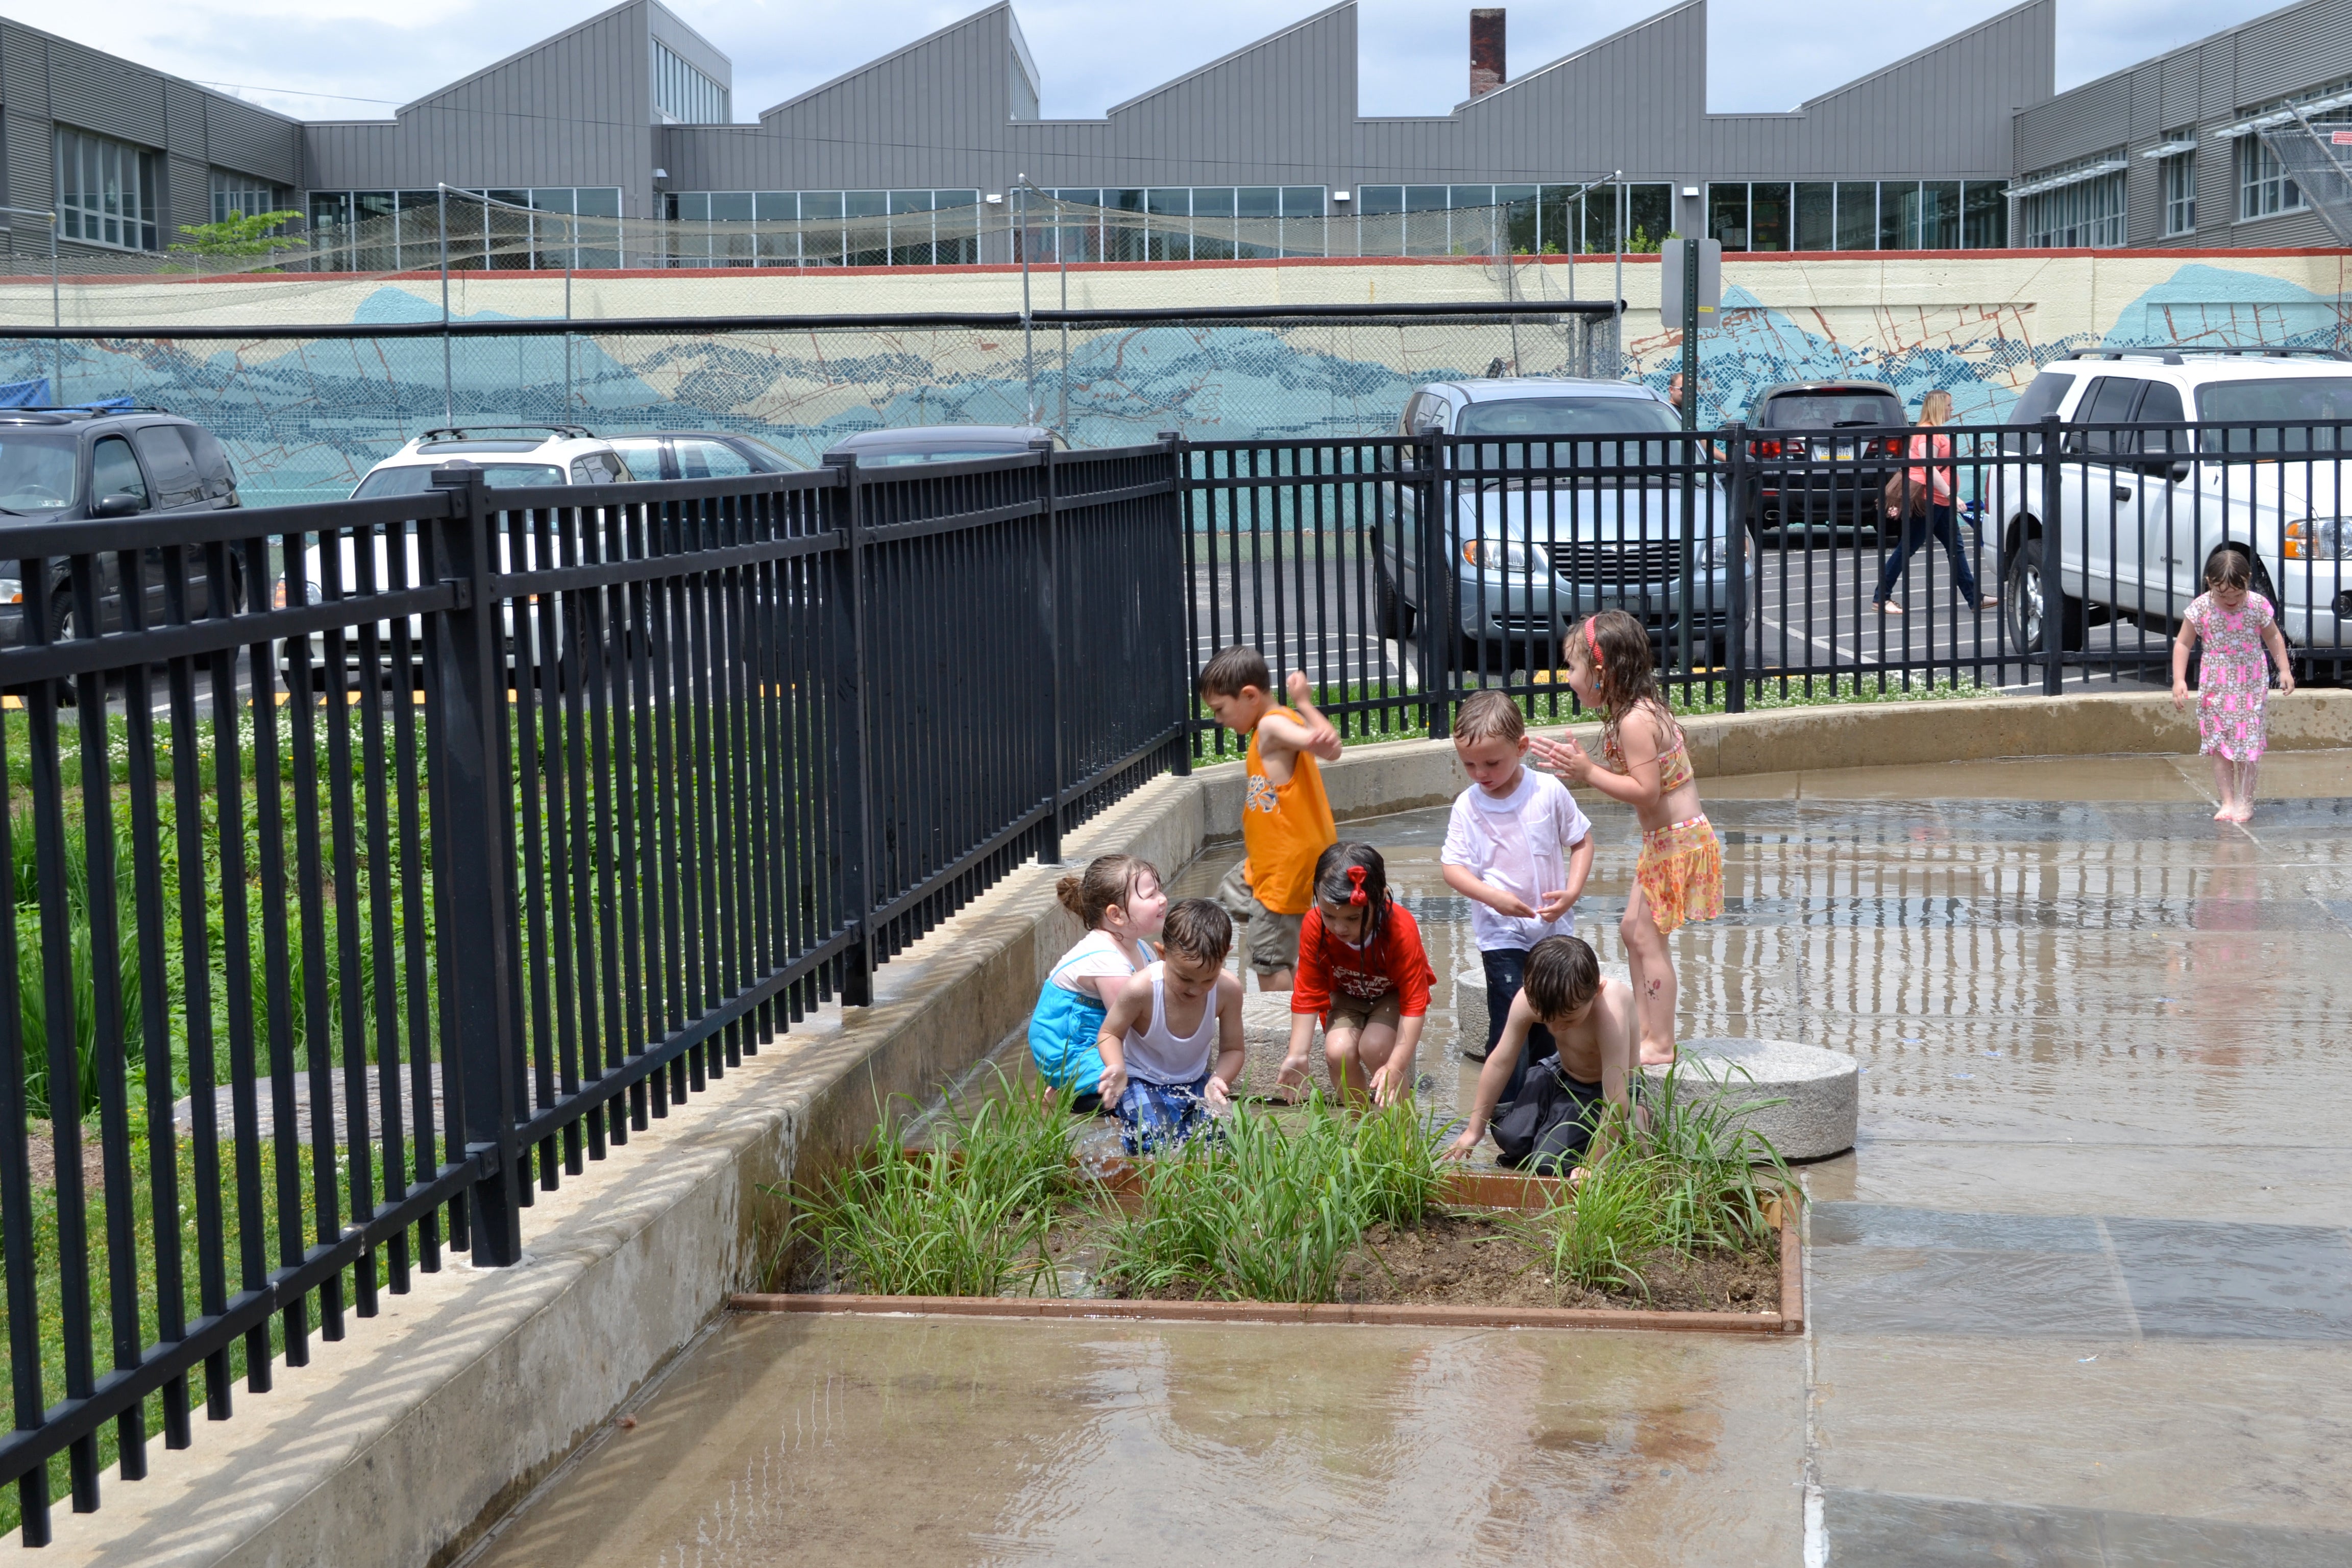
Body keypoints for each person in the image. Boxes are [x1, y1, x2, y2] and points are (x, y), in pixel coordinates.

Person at [1532, 610, 1720, 1066]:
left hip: (1677, 842)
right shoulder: (1632, 712)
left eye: (1572, 667)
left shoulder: (1636, 721)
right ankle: (1647, 1029)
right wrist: (1580, 765)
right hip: (1667, 841)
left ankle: (1660, 1041)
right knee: (1632, 931)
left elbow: (1646, 791)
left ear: (1602, 672)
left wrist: (1587, 772)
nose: (1567, 678)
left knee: (1648, 941)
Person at [1440, 690, 1595, 1102]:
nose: (1480, 773)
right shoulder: (1467, 807)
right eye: (1469, 764)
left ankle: (1552, 1100)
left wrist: (1573, 891)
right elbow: (1452, 869)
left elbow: (1581, 841)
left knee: (1555, 1019)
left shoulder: (1548, 791)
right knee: (1510, 1020)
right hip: (1501, 933)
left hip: (1552, 931)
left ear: (1522, 747)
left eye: (1492, 762)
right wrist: (1493, 897)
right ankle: (1507, 1109)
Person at [1198, 646, 1340, 990]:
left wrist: (1312, 733)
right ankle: (1293, 935)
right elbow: (1330, 748)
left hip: (1283, 868)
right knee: (1228, 893)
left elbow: (1327, 748)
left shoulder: (1274, 726)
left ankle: (1286, 1028)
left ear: (1248, 695)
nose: (1218, 720)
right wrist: (1305, 705)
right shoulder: (1283, 719)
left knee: (1267, 958)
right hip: (1270, 860)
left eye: (1220, 710)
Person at [1441, 934, 1637, 1174]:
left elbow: (1616, 1096)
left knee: (1547, 1163)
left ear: (1597, 990)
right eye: (1547, 1021)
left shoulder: (1609, 1011)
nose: (1555, 1029)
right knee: (1509, 1137)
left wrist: (1593, 1166)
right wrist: (1474, 1130)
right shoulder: (1531, 999)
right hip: (1559, 1072)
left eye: (1568, 1020)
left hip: (1603, 1087)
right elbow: (1501, 1062)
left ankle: (1627, 1130)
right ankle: (1554, 1126)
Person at [1279, 843, 1436, 1107]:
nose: (1339, 928)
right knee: (1337, 1050)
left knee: (1376, 1046)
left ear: (1381, 898)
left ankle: (1403, 1133)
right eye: (1329, 915)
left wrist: (1397, 1064)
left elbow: (1414, 1003)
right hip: (1346, 994)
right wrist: (1298, 1054)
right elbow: (1307, 993)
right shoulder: (1315, 926)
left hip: (1391, 994)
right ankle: (1359, 1127)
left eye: (1353, 918)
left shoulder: (1401, 928)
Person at [1095, 898, 1247, 1153]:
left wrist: (1218, 1080)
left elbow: (1233, 1049)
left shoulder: (1228, 990)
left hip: (1196, 1081)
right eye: (1185, 977)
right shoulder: (1142, 989)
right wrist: (1117, 1067)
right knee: (1153, 1141)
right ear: (1162, 954)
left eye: (1209, 979)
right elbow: (1110, 1032)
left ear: (1226, 956)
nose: (1196, 989)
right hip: (1141, 1079)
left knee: (1218, 1142)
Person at [1027, 854, 1168, 1112]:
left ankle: (1063, 1092)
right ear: (1116, 915)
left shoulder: (1141, 949)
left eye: (1160, 891)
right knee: (1139, 1085)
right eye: (1150, 895)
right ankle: (1065, 1096)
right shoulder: (1107, 961)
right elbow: (1136, 1023)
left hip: (1096, 1037)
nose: (1162, 899)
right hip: (1068, 1051)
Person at [2172, 543, 2294, 824]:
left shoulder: (2256, 606)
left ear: (2248, 583)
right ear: (2209, 584)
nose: (2231, 601)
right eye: (2223, 594)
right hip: (2216, 684)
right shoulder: (2200, 608)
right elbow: (2183, 643)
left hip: (2250, 683)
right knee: (2220, 743)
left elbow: (2273, 637)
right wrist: (2179, 679)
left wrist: (2284, 669)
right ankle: (2228, 801)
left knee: (2248, 743)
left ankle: (2246, 800)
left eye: (2238, 594)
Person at [1874, 388, 1997, 616]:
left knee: (1956, 549)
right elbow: (1929, 468)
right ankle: (1881, 597)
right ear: (1939, 406)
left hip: (1940, 502)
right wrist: (1952, 495)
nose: (1952, 409)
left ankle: (1974, 598)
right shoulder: (1926, 434)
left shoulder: (1938, 432)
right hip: (1928, 501)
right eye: (1949, 405)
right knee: (1907, 548)